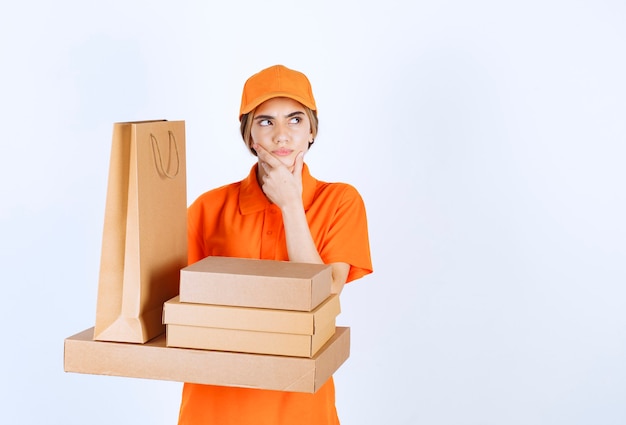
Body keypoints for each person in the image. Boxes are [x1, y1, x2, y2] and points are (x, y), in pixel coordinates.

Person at [178, 64, 373, 425]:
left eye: (295, 120)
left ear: (312, 131)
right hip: (215, 406)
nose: (282, 136)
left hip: (302, 408)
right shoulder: (208, 208)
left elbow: (325, 292)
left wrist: (290, 205)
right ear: (249, 135)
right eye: (266, 122)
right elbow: (167, 304)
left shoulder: (341, 201)